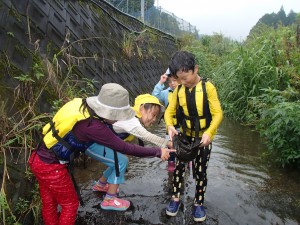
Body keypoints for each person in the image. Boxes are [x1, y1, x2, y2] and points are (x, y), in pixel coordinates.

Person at [28, 83, 174, 225]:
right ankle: (109, 198)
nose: (118, 119)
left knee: (49, 203)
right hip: (52, 166)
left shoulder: (85, 108)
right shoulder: (93, 126)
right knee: (71, 205)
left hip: (39, 158)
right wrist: (157, 151)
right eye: (117, 115)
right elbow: (124, 147)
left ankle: (100, 185)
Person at [164, 51, 223, 222]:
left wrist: (209, 133)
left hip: (203, 140)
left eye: (185, 77)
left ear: (195, 69)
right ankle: (175, 199)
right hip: (184, 137)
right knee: (179, 168)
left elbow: (218, 113)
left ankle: (198, 203)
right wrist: (169, 125)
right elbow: (170, 110)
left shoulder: (208, 87)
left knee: (201, 171)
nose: (182, 82)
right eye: (179, 79)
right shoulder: (179, 90)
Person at [89, 93, 173, 204]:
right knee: (121, 162)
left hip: (97, 141)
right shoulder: (130, 119)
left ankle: (101, 185)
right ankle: (109, 200)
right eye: (153, 114)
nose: (154, 119)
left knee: (119, 160)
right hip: (91, 143)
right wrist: (168, 143)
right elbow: (146, 135)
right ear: (142, 108)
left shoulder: (131, 117)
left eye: (156, 117)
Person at [152, 68, 179, 172]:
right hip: (169, 125)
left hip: (184, 125)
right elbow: (155, 96)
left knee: (186, 144)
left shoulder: (185, 91)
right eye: (170, 81)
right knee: (170, 144)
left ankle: (186, 160)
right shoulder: (165, 93)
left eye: (175, 80)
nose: (172, 83)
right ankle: (171, 162)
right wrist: (161, 82)